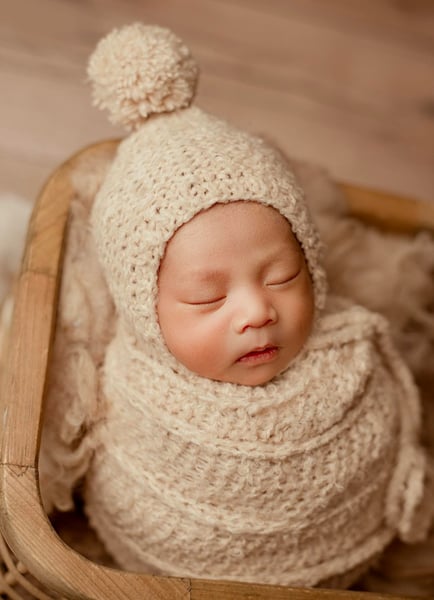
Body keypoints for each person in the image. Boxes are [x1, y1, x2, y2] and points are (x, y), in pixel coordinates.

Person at [39, 23, 433, 589]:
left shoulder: (355, 356)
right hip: (164, 573)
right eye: (207, 296)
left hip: (349, 552)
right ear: (144, 313)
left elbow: (384, 441)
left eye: (283, 275)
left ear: (314, 266)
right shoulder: (124, 393)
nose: (256, 311)